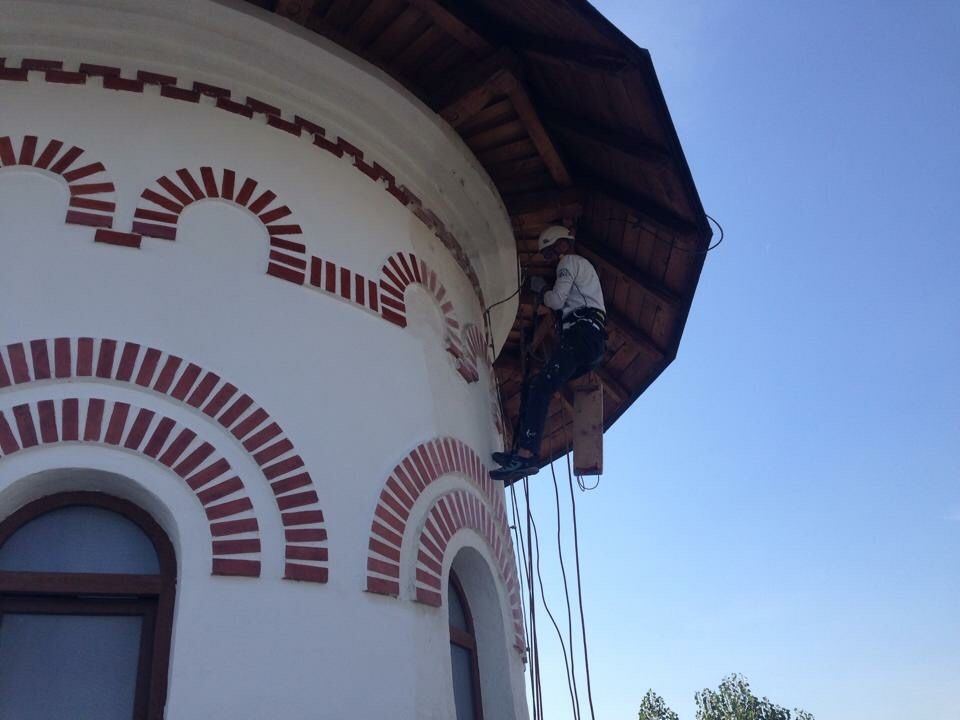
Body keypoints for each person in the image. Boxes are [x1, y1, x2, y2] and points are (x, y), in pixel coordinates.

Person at [491, 225, 607, 481]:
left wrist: (542, 289)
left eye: (549, 253)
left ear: (562, 245)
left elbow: (555, 300)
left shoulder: (569, 262)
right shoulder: (582, 271)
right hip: (590, 342)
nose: (551, 258)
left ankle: (525, 454)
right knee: (536, 385)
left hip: (581, 334)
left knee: (541, 386)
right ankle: (519, 451)